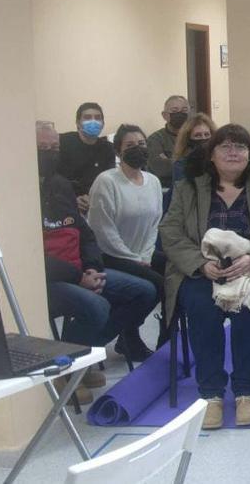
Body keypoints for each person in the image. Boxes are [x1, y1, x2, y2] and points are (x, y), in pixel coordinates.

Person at [159, 124, 250, 430]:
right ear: (211, 155)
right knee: (200, 305)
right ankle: (210, 394)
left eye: (240, 147)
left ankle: (246, 391)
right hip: (203, 270)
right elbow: (170, 233)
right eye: (225, 146)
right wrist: (199, 264)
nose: (233, 152)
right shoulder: (188, 188)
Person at [38, 122, 157, 403]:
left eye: (53, 148)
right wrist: (78, 276)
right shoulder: (17, 194)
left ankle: (84, 355)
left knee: (145, 291)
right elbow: (31, 255)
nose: (49, 153)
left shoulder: (60, 185)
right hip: (48, 278)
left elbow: (86, 233)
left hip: (82, 268)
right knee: (96, 304)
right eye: (41, 148)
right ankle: (65, 369)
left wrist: (91, 267)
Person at [86, 124, 163, 361]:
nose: (137, 149)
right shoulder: (107, 181)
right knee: (157, 285)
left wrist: (146, 255)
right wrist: (133, 259)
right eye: (130, 145)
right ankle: (107, 339)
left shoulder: (153, 181)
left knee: (175, 273)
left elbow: (154, 224)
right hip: (110, 255)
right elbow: (103, 230)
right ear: (119, 152)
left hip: (142, 253)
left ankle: (164, 341)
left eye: (141, 144)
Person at [59, 101, 115, 213]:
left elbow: (108, 180)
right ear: (78, 123)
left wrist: (95, 199)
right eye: (88, 117)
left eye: (97, 118)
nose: (93, 121)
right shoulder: (63, 142)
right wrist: (72, 199)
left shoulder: (108, 148)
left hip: (97, 203)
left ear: (103, 123)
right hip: (67, 203)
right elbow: (56, 179)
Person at [146, 95, 191, 188]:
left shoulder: (196, 136)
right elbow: (161, 168)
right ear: (165, 115)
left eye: (184, 110)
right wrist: (191, 162)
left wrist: (172, 161)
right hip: (168, 189)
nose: (180, 114)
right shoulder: (155, 139)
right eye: (174, 111)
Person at [171, 113, 216, 185]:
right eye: (198, 135)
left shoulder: (219, 159)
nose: (203, 138)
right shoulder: (181, 163)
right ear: (188, 139)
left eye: (207, 134)